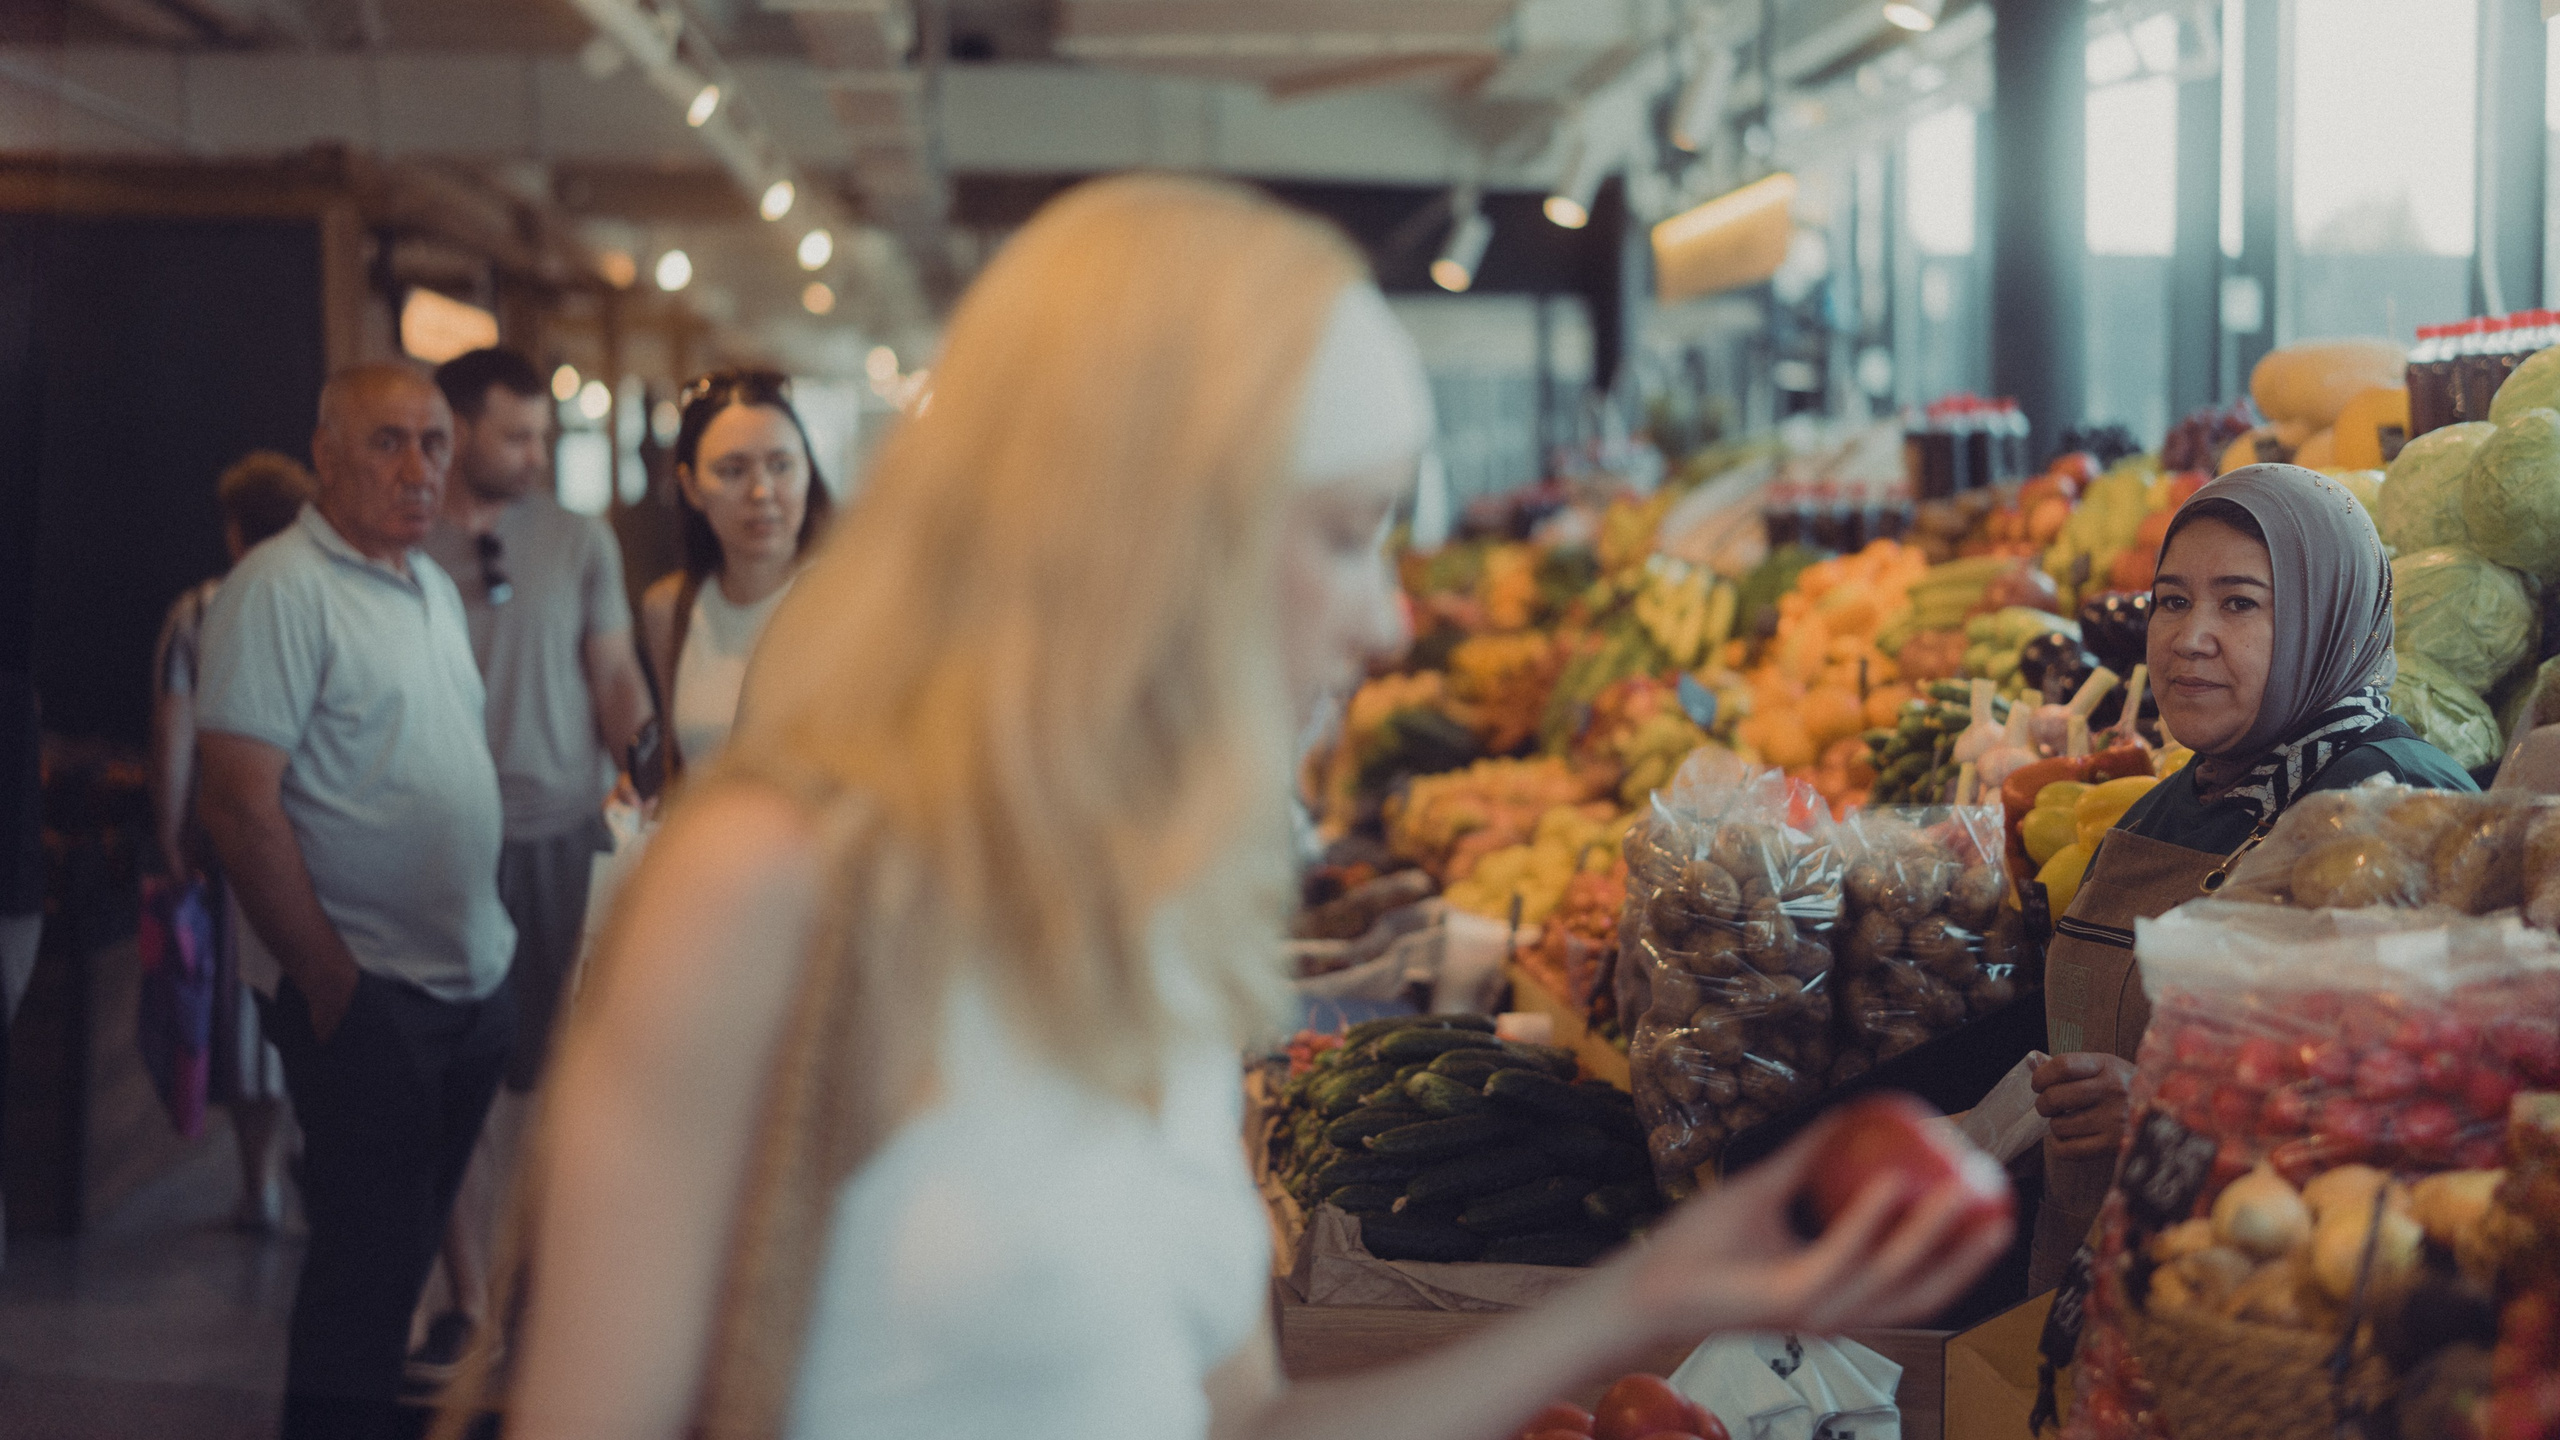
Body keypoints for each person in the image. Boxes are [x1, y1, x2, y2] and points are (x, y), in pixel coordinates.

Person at [477, 176, 2006, 1440]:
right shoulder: (769, 892)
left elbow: (1235, 1425)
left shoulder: (1138, 931)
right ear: (1162, 527)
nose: (1392, 623)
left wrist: (1655, 1296)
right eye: (1346, 535)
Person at [2026, 463, 2476, 1289]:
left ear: (2323, 620)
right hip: (2103, 1309)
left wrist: (2175, 1119)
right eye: (2172, 600)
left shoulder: (2401, 808)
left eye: (2240, 603)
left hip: (2274, 1328)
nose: (2190, 636)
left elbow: (2442, 1116)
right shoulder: (2160, 809)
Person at [195, 362, 517, 1440]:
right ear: (325, 451)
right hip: (370, 998)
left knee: (395, 1268)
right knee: (358, 1285)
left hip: (464, 987)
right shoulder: (280, 588)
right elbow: (237, 810)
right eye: (388, 442)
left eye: (433, 442)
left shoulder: (425, 580)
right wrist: (335, 987)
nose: (419, 467)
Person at [405, 347, 653, 1376]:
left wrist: (644, 762)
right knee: (444, 1084)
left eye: (545, 435)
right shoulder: (406, 539)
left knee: (557, 1085)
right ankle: (466, 1303)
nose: (539, 453)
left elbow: (613, 672)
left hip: (560, 835)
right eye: (519, 436)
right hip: (435, 841)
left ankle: (546, 1291)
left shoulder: (578, 539)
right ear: (460, 431)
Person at [148, 448, 314, 1233]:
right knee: (321, 998)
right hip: (324, 836)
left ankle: (262, 1190)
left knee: (248, 1019)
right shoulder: (324, 600)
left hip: (233, 835)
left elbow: (175, 730)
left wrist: (169, 831)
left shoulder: (201, 609)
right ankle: (319, 1175)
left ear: (235, 528)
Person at [637, 370, 832, 780]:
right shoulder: (670, 609)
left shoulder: (847, 604)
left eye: (781, 465)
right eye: (732, 470)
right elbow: (679, 765)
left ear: (808, 471)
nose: (761, 491)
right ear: (691, 487)